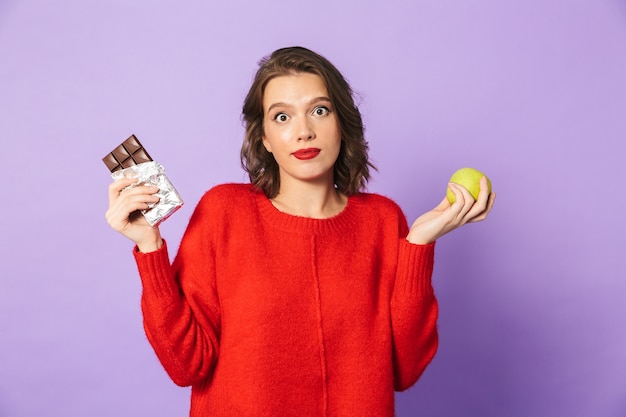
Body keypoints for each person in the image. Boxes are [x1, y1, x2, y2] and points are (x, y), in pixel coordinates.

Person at [106, 46, 495, 417]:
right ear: (264, 139)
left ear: (342, 123)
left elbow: (403, 371)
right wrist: (150, 246)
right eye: (282, 117)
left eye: (320, 110)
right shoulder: (224, 212)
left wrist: (419, 244)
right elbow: (187, 366)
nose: (303, 131)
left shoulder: (383, 221)